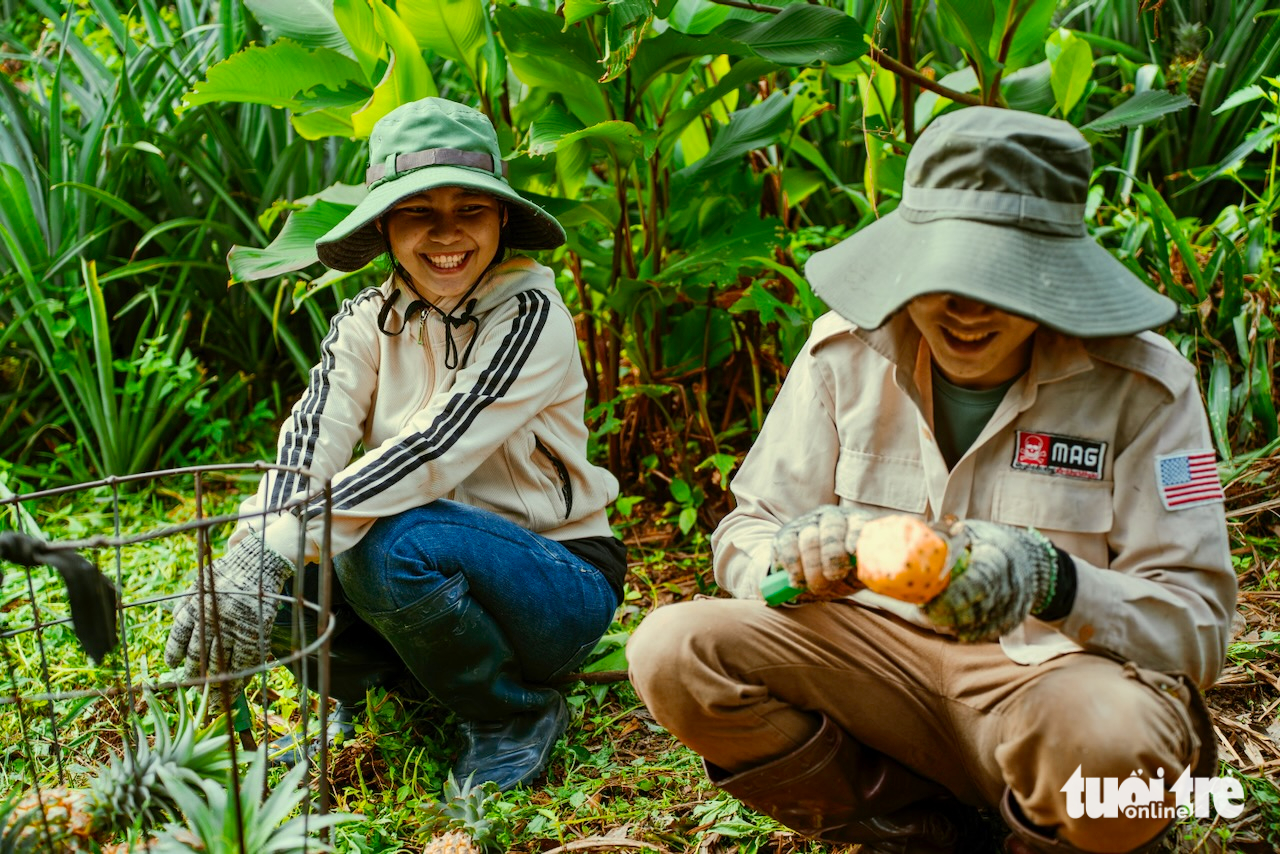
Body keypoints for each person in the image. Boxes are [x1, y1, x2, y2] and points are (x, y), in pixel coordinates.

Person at [626, 107, 1237, 854]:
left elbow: (1197, 628)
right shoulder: (842, 357)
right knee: (672, 649)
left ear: (1052, 272)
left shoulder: (1143, 388)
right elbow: (746, 533)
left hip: (1052, 680)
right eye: (944, 271)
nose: (967, 309)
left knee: (1115, 764)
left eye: (1001, 277)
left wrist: (1054, 581)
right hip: (873, 666)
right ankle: (908, 828)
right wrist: (791, 560)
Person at [164, 97, 626, 792]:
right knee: (293, 554)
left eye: (470, 208)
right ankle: (379, 700)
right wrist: (246, 555)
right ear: (384, 224)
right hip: (430, 579)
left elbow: (436, 443)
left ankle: (511, 715)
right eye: (418, 211)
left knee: (381, 541)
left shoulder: (531, 313)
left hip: (554, 582)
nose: (447, 234)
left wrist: (279, 543)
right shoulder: (363, 320)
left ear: (502, 217)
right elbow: (309, 441)